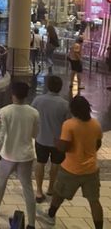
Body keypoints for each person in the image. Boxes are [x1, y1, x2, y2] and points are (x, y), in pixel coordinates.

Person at [38, 96, 105, 229]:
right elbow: (98, 143)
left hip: (71, 169)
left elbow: (64, 148)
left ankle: (51, 215)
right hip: (91, 170)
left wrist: (56, 142)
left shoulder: (70, 125)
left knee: (58, 192)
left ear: (73, 110)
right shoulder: (95, 124)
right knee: (94, 201)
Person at [0, 82, 39, 229]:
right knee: (27, 188)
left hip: (8, 155)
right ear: (26, 95)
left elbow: (0, 135)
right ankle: (31, 225)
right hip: (26, 155)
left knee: (1, 182)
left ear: (13, 95)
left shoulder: (5, 111)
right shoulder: (34, 113)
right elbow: (35, 134)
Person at [31, 75, 69, 203]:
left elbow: (32, 116)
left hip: (41, 138)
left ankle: (39, 190)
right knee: (55, 164)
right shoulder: (64, 104)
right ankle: (51, 188)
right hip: (58, 141)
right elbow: (68, 123)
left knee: (40, 163)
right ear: (60, 87)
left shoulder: (38, 100)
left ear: (48, 86)